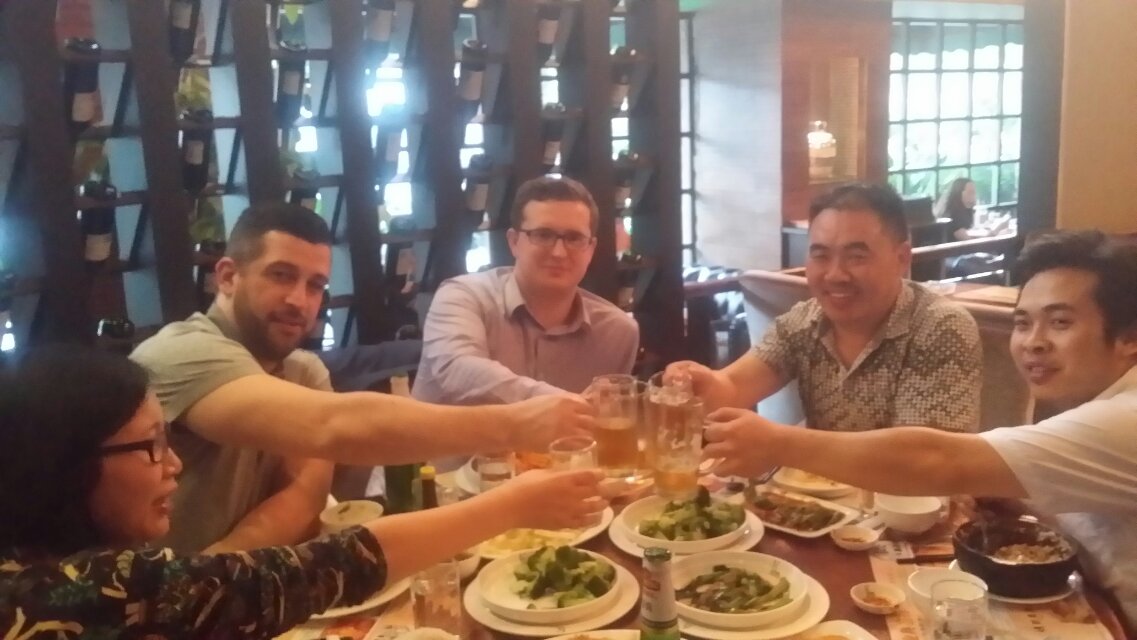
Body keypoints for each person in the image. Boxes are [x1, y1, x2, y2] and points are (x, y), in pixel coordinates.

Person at [0, 346, 605, 639]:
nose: (173, 463)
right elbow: (332, 561)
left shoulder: (36, 569)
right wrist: (515, 497)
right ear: (68, 464)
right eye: (152, 445)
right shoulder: (102, 589)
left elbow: (310, 504)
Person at [703, 230, 1137, 630]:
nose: (1033, 342)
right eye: (1023, 323)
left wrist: (778, 442)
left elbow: (935, 460)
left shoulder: (1124, 420)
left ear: (1128, 338)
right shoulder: (804, 319)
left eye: (1060, 323)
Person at [130, 202, 597, 552]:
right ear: (228, 277)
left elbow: (306, 494)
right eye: (281, 275)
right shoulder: (182, 353)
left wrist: (226, 578)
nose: (299, 300)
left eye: (315, 285)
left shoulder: (302, 370)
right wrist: (518, 423)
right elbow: (335, 427)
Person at [670, 183, 983, 432]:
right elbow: (734, 385)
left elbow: (923, 458)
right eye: (820, 256)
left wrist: (782, 444)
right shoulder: (804, 322)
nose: (835, 275)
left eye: (856, 257)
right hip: (819, 495)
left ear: (901, 258)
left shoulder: (940, 326)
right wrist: (703, 385)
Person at [412, 176, 639, 405]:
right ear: (514, 242)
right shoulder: (462, 297)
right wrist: (563, 403)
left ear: (590, 249)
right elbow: (457, 371)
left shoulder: (617, 332)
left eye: (574, 238)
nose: (559, 252)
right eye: (543, 235)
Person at [934, 177, 1012, 242]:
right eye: (971, 192)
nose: (974, 195)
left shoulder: (966, 211)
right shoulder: (952, 215)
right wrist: (996, 229)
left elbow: (971, 232)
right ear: (959, 194)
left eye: (974, 192)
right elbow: (968, 241)